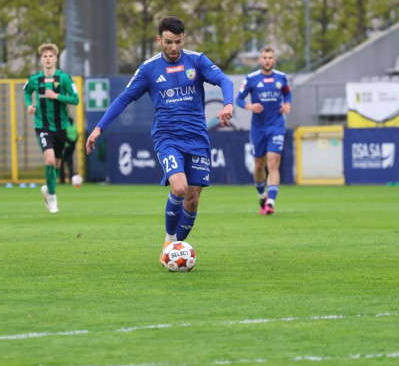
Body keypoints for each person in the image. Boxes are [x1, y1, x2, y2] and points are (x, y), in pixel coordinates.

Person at [85, 16, 234, 263]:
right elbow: (124, 98)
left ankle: (177, 248)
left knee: (193, 199)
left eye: (177, 42)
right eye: (167, 42)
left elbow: (224, 80)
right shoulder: (149, 69)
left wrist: (228, 103)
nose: (173, 48)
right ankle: (169, 242)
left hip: (197, 137)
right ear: (158, 40)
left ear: (184, 38)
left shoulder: (196, 60)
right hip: (168, 138)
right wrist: (100, 127)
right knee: (179, 187)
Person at [22, 43, 79, 213]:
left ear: (56, 59)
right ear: (41, 60)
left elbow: (75, 99)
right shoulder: (34, 79)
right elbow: (26, 92)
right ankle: (52, 197)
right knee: (50, 160)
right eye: (44, 56)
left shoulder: (64, 78)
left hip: (61, 127)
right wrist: (28, 106)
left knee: (56, 166)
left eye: (50, 56)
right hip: (42, 126)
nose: (47, 59)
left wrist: (57, 96)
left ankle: (47, 188)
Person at [235, 47, 291, 215]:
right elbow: (238, 99)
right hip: (258, 128)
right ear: (260, 60)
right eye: (264, 57)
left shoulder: (281, 77)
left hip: (276, 126)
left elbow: (287, 94)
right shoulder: (251, 79)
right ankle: (262, 196)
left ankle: (271, 203)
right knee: (259, 166)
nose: (267, 60)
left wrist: (287, 104)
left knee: (273, 164)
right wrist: (250, 106)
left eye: (270, 57)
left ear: (274, 60)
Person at [59, 116, 78, 185]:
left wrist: (69, 142)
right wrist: (73, 143)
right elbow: (77, 136)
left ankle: (62, 180)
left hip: (64, 148)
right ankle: (71, 180)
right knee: (70, 164)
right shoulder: (74, 127)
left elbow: (64, 136)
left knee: (61, 164)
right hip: (71, 148)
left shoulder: (64, 127)